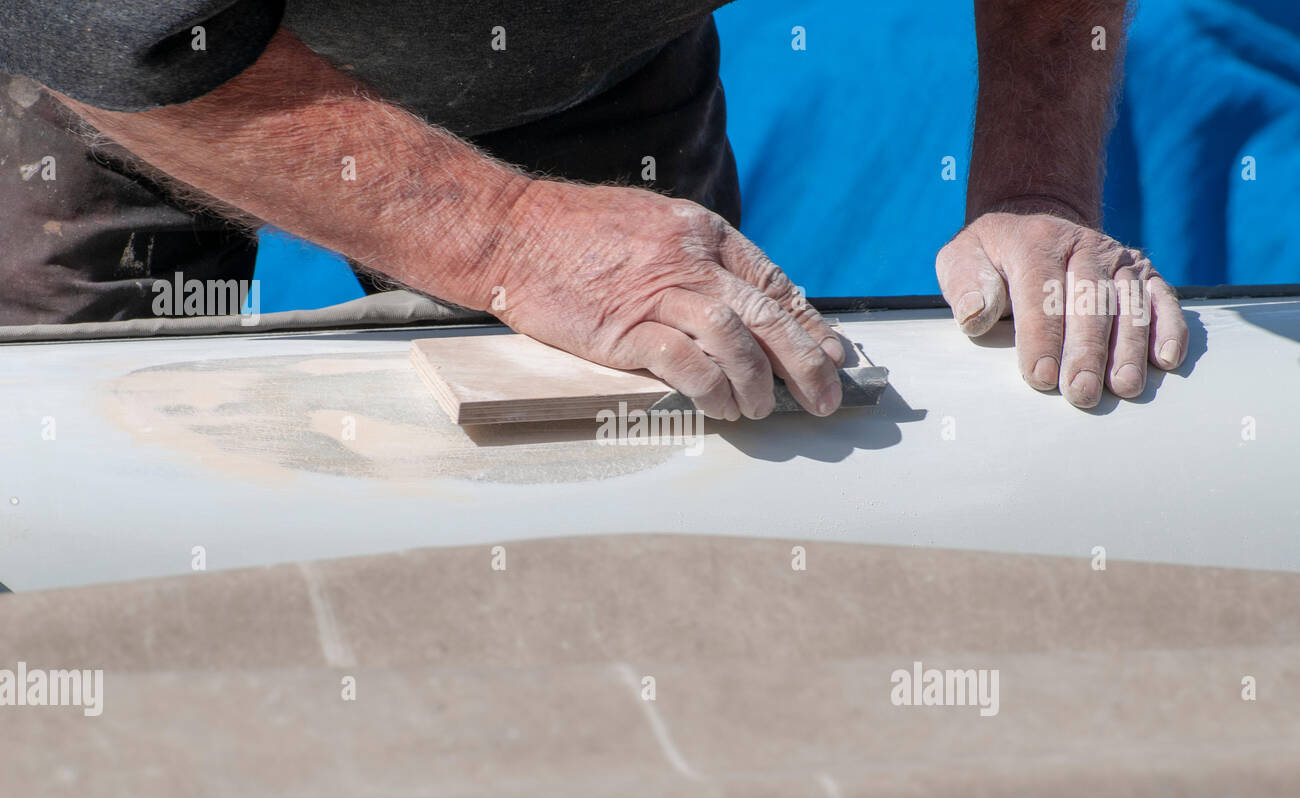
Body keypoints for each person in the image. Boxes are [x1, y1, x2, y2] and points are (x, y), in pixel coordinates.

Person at [0, 1, 1187, 414]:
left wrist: (1034, 188)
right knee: (81, 517)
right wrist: (511, 241)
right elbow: (113, 28)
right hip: (129, 89)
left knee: (677, 464)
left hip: (590, 75)